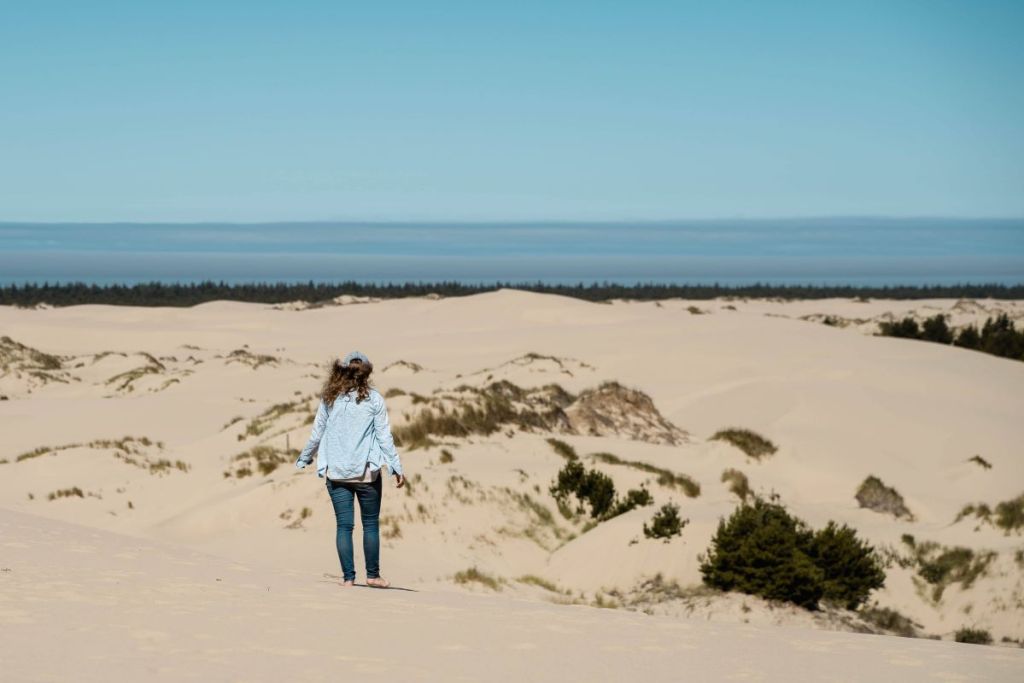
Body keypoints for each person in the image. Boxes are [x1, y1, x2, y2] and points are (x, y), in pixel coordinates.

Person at [295, 350, 405, 588]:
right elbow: (384, 436)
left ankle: (348, 579)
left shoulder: (329, 397)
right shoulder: (374, 398)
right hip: (366, 474)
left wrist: (304, 458)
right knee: (370, 524)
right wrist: (395, 467)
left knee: (344, 526)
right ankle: (373, 575)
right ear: (366, 372)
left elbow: (317, 433)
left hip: (336, 474)